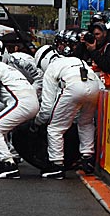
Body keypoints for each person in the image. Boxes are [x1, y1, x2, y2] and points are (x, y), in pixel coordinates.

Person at [33, 45, 103, 179]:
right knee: (86, 123)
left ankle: (57, 165)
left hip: (72, 86)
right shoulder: (73, 60)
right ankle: (87, 158)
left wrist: (37, 122)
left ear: (43, 61)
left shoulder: (51, 69)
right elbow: (99, 85)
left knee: (55, 128)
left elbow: (47, 107)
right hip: (94, 86)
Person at [0, 42, 39, 178]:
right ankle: (3, 162)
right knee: (0, 129)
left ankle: (8, 164)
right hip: (30, 101)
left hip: (21, 102)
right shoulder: (7, 68)